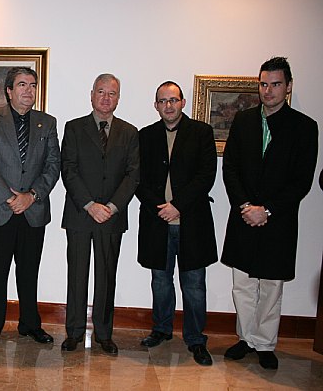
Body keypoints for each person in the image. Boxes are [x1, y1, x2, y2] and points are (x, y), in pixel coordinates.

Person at [221, 57, 318, 370]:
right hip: (244, 216)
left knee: (271, 287)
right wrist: (246, 207)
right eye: (264, 84)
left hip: (278, 220)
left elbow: (301, 180)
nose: (268, 90)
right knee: (243, 286)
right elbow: (231, 168)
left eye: (275, 84)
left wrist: (268, 210)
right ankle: (245, 339)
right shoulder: (244, 120)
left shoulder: (305, 127)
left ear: (288, 87)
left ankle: (264, 343)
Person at [0, 67, 60, 349]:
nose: (28, 90)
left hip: (33, 212)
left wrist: (31, 196)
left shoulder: (47, 123)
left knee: (28, 271)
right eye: (22, 85)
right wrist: (10, 198)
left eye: (33, 85)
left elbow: (53, 166)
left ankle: (30, 324)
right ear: (9, 91)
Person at [136, 81, 217, 366]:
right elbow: (139, 179)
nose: (168, 105)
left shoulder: (201, 133)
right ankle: (161, 329)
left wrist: (178, 207)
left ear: (183, 102)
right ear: (156, 105)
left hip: (192, 223)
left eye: (173, 100)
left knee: (194, 284)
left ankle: (196, 339)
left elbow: (206, 175)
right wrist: (161, 209)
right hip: (158, 222)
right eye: (162, 101)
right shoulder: (145, 136)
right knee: (160, 280)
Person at [60, 73, 139, 355]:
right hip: (81, 215)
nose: (106, 98)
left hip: (112, 217)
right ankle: (74, 332)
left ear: (119, 98)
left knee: (107, 276)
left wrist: (112, 207)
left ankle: (104, 333)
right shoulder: (73, 128)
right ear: (91, 94)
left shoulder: (130, 132)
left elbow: (133, 175)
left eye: (112, 93)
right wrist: (90, 205)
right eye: (101, 92)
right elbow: (67, 170)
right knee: (77, 275)